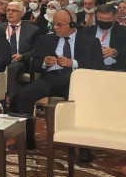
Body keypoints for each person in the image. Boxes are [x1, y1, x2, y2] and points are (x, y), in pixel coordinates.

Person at [11, 8, 105, 150]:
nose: (55, 27)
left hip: (75, 81)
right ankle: (26, 140)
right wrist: (44, 62)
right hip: (50, 79)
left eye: (59, 24)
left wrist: (73, 63)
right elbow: (34, 64)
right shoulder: (46, 39)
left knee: (79, 100)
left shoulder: (90, 41)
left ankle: (84, 147)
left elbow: (98, 65)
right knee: (22, 95)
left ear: (72, 24)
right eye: (54, 23)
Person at [0, 1, 39, 106]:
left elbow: (37, 50)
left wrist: (22, 56)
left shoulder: (33, 30)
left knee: (12, 67)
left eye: (14, 11)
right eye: (8, 10)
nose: (10, 13)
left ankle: (12, 102)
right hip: (0, 60)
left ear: (22, 13)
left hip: (20, 61)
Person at [81, 3, 126, 72]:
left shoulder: (124, 31)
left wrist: (115, 51)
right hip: (92, 67)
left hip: (116, 67)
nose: (104, 21)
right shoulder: (87, 31)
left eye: (108, 19)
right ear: (96, 16)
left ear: (114, 17)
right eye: (101, 18)